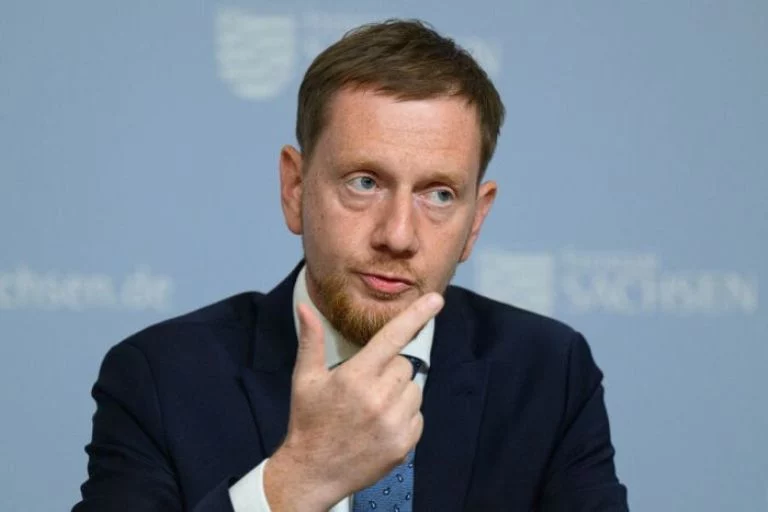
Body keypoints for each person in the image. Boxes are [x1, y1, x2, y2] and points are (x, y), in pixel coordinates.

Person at [74, 19, 628, 512]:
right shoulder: (159, 379)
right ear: (295, 187)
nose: (398, 235)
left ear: (476, 220)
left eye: (438, 195)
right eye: (364, 183)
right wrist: (295, 483)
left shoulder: (549, 375)